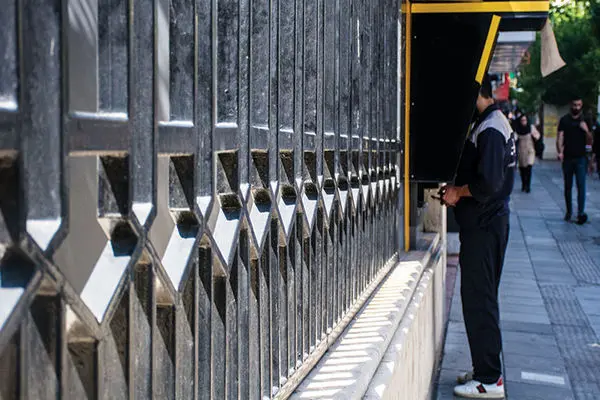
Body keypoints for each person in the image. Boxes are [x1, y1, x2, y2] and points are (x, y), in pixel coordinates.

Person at [443, 74, 515, 399]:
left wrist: (458, 191)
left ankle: (489, 379)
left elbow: (488, 183)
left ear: (477, 95)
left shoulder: (491, 128)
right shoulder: (489, 123)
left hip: (486, 226)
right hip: (486, 226)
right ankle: (484, 369)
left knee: (479, 300)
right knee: (479, 298)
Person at [556, 97, 593, 224]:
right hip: (567, 157)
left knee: (581, 186)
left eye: (579, 105)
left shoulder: (586, 120)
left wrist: (586, 130)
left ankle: (580, 212)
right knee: (568, 186)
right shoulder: (564, 120)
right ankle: (569, 211)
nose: (576, 107)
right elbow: (560, 136)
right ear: (570, 105)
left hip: (581, 158)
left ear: (581, 105)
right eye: (574, 105)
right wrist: (560, 151)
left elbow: (591, 140)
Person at [515, 115, 541, 193]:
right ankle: (523, 184)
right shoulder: (517, 129)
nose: (524, 122)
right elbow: (514, 137)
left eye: (525, 120)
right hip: (521, 152)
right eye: (522, 120)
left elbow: (537, 135)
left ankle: (528, 186)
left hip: (530, 151)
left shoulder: (531, 127)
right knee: (522, 169)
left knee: (529, 168)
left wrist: (535, 136)